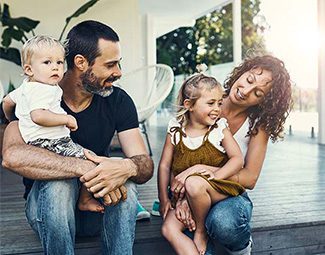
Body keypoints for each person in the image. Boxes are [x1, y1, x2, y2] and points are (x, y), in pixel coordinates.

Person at [2, 20, 154, 255]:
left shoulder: (118, 100)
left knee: (125, 182)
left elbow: (144, 164)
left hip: (98, 211)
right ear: (81, 63)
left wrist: (127, 167)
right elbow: (12, 156)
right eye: (111, 64)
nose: (118, 72)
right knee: (59, 185)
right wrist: (82, 167)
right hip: (47, 212)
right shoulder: (36, 94)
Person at [168, 55, 293, 254]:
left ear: (264, 102)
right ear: (242, 72)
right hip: (191, 191)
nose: (245, 91)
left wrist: (201, 171)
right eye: (249, 80)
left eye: (257, 93)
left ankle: (242, 250)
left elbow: (250, 178)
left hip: (230, 193)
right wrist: (180, 199)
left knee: (223, 222)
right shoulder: (203, 98)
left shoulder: (257, 125)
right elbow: (176, 156)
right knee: (188, 234)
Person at [2, 35, 113, 213]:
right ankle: (85, 199)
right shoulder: (44, 89)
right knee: (90, 158)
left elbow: (7, 102)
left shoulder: (26, 87)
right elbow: (38, 116)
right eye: (47, 62)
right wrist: (66, 119)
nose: (55, 67)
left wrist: (12, 120)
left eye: (60, 62)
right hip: (51, 142)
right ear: (29, 69)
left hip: (36, 143)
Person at [158, 73, 246, 254]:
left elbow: (237, 159)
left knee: (194, 183)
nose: (217, 109)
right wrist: (164, 199)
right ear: (189, 105)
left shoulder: (219, 128)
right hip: (189, 194)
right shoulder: (175, 129)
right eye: (211, 103)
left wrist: (215, 176)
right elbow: (165, 165)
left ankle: (200, 230)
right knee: (168, 229)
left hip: (218, 189)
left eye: (219, 103)